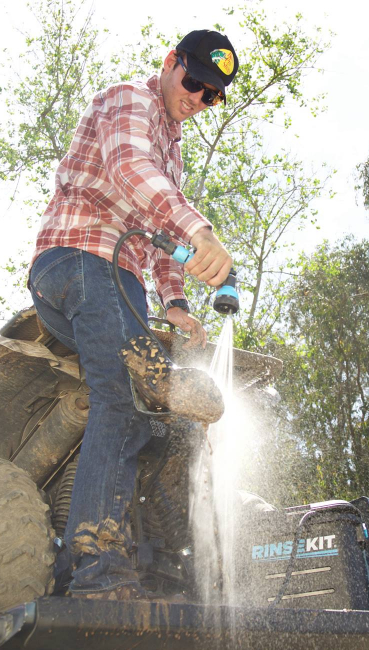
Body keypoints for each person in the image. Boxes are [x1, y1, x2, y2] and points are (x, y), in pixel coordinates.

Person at [27, 29, 239, 600]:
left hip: (119, 280)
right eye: (194, 82)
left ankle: (170, 568)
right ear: (170, 64)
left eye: (212, 95)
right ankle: (93, 571)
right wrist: (202, 230)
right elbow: (127, 168)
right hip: (78, 258)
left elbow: (161, 237)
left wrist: (176, 305)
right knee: (122, 393)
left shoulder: (171, 149)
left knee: (148, 414)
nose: (198, 98)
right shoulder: (130, 100)